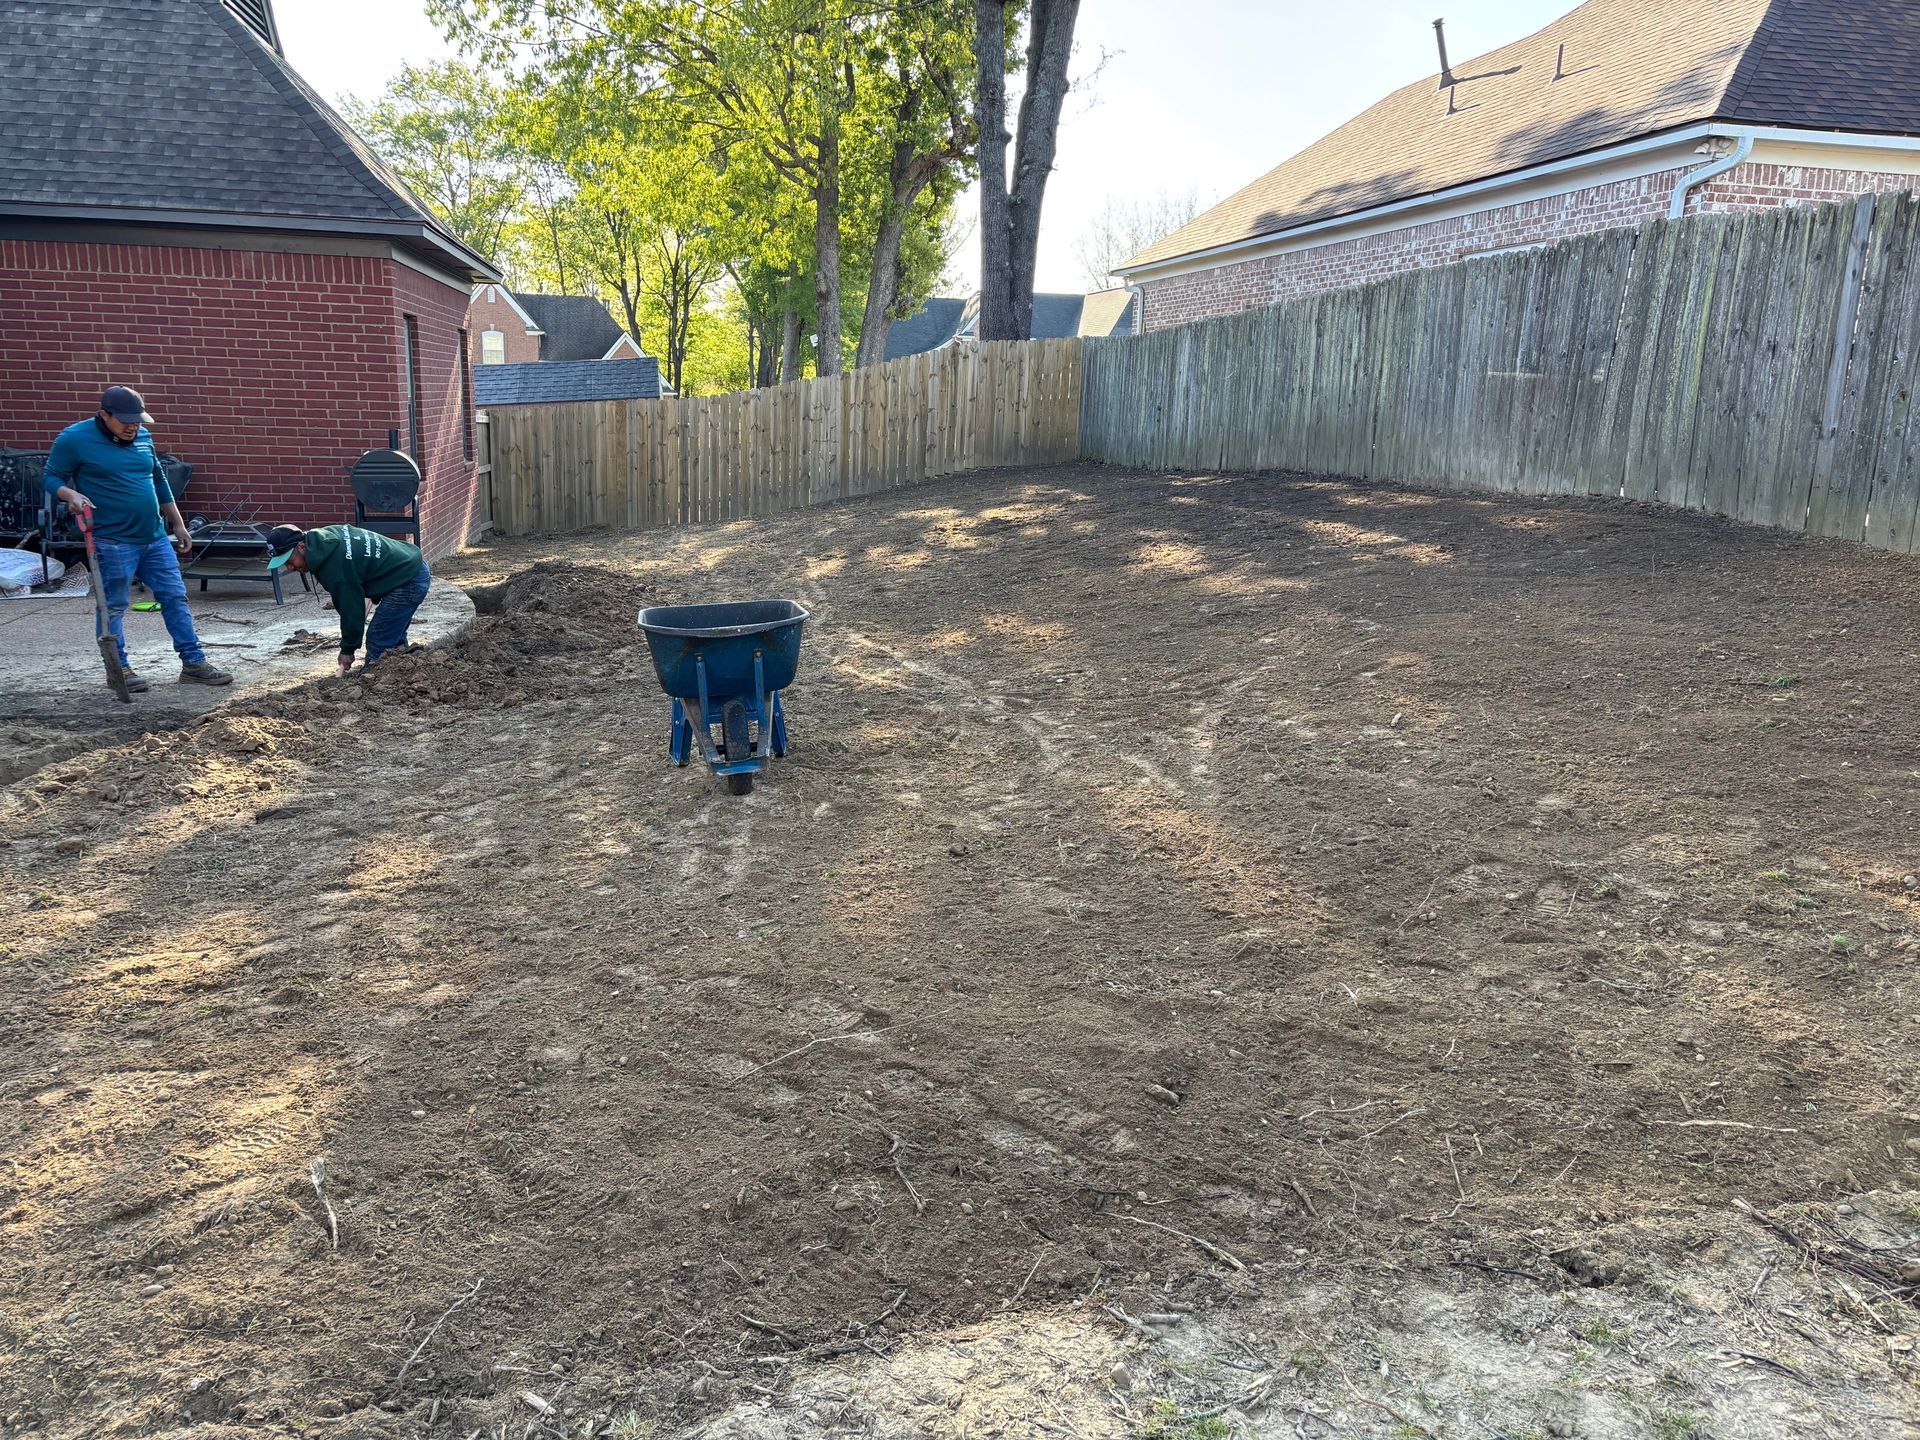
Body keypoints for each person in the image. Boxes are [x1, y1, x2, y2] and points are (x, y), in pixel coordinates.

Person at [43, 385, 231, 692]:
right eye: (126, 420)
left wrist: (178, 524)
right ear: (105, 415)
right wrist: (70, 493)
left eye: (138, 420)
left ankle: (194, 663)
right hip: (112, 540)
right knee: (114, 605)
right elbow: (50, 476)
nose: (133, 426)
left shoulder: (142, 436)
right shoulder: (75, 439)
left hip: (154, 537)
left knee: (175, 597)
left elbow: (157, 480)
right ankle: (119, 669)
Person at [265, 523, 430, 673]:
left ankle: (375, 682)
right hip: (409, 563)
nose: (290, 567)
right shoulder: (323, 538)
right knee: (391, 636)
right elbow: (360, 568)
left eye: (289, 560)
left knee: (378, 638)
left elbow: (351, 609)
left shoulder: (334, 567)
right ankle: (402, 671)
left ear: (301, 547)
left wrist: (347, 649)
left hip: (408, 578)